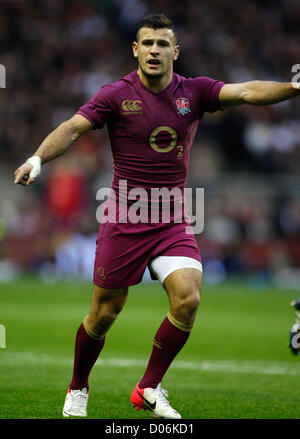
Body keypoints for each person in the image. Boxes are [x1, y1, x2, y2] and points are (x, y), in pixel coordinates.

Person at [14, 13, 300, 419]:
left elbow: (250, 91)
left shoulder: (195, 92)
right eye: (146, 43)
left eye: (162, 44)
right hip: (123, 218)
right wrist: (38, 157)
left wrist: (293, 86)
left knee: (189, 298)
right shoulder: (115, 94)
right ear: (135, 49)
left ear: (175, 52)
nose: (154, 51)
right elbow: (74, 128)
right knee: (103, 314)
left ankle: (148, 387)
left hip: (171, 220)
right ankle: (78, 386)